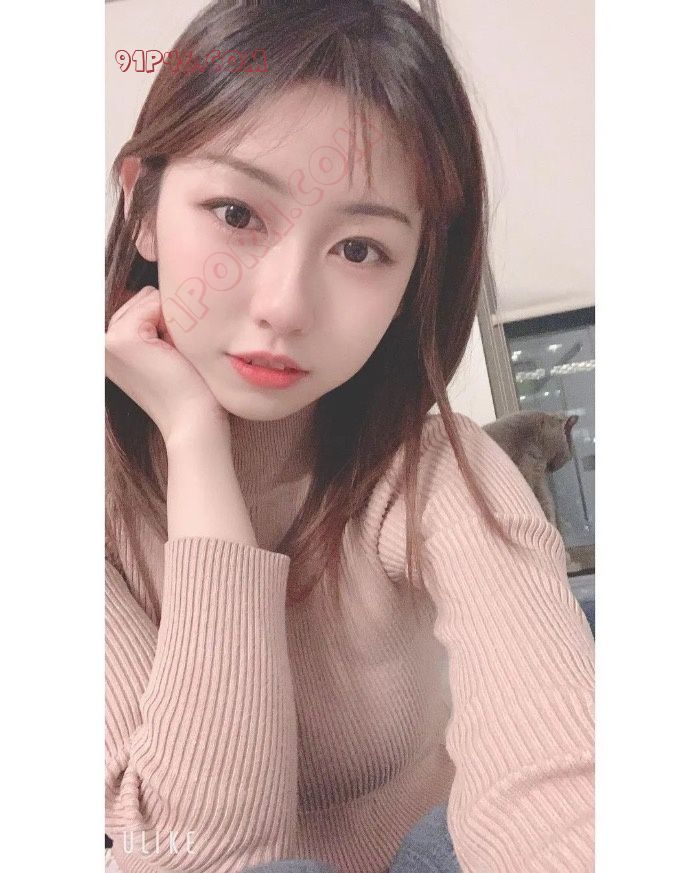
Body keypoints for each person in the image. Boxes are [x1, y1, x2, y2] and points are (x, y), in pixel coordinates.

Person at [104, 1, 595, 871]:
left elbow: (565, 793)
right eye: (236, 213)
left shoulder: (435, 472)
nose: (285, 305)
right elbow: (191, 852)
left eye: (361, 249)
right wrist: (196, 443)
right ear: (142, 203)